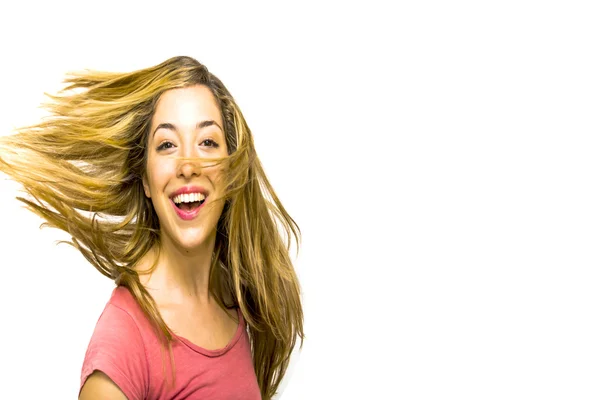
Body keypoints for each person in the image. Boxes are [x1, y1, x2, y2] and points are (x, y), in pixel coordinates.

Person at [0, 56, 304, 399]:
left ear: (230, 171)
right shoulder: (124, 341)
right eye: (167, 145)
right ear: (145, 178)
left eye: (207, 142)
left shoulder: (236, 298)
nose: (189, 164)